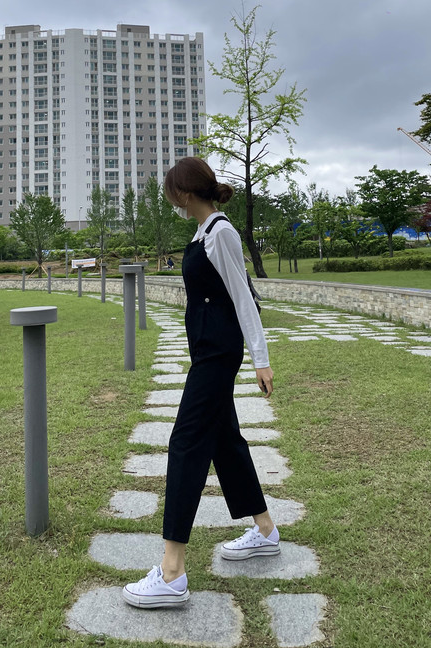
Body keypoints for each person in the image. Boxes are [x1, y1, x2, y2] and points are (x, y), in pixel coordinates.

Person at [123, 157, 278, 609]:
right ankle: (265, 530)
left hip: (217, 355)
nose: (171, 201)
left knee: (187, 442)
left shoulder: (222, 232)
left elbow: (244, 297)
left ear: (186, 194)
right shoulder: (202, 233)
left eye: (172, 194)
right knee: (224, 442)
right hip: (206, 351)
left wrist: (261, 360)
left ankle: (172, 573)